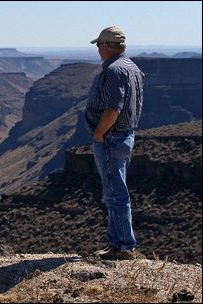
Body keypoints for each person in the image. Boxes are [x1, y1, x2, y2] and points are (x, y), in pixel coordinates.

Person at [85, 26, 145, 260]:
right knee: (114, 190)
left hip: (111, 139)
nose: (98, 49)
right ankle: (115, 243)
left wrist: (99, 134)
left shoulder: (114, 71)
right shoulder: (133, 68)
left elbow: (113, 109)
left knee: (115, 194)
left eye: (99, 45)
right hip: (124, 136)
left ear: (107, 45)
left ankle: (123, 246)